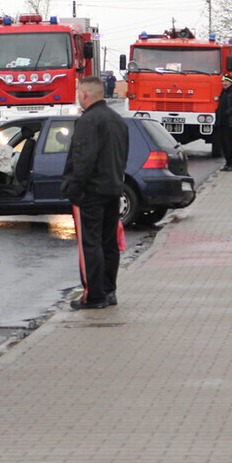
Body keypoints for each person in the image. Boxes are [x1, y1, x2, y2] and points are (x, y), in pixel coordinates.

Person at [61, 76, 129, 310]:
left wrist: (74, 189)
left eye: (79, 93)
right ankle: (109, 291)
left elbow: (82, 159)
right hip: (113, 189)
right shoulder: (118, 120)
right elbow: (122, 156)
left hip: (90, 193)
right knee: (109, 243)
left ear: (85, 95)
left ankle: (94, 295)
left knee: (90, 244)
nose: (78, 97)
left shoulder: (88, 121)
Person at [216, 75, 232, 171]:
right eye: (223, 81)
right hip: (222, 123)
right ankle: (227, 163)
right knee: (224, 144)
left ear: (231, 82)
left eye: (226, 81)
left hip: (230, 123)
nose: (224, 83)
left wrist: (227, 112)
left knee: (230, 144)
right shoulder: (224, 92)